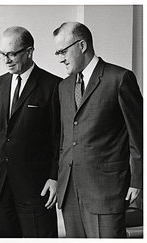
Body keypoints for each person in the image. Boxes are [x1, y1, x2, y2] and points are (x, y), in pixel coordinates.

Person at [52, 21, 143, 238]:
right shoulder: (63, 87)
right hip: (70, 194)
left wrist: (137, 181)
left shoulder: (119, 79)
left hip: (106, 191)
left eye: (63, 51)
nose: (60, 58)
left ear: (82, 45)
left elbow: (140, 136)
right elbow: (66, 138)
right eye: (57, 52)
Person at [0, 26, 62, 238]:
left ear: (29, 51)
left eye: (12, 54)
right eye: (2, 54)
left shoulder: (53, 85)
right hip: (0, 185)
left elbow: (58, 138)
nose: (6, 60)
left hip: (35, 187)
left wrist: (55, 177)